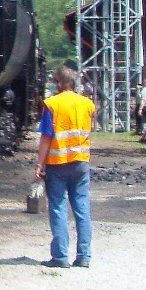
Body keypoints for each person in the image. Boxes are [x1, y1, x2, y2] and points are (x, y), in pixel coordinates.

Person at [35, 65, 94, 268]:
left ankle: (60, 257)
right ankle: (84, 256)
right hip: (80, 163)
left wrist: (39, 164)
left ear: (59, 83)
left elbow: (46, 137)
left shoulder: (52, 104)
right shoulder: (87, 104)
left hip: (57, 164)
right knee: (82, 207)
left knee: (59, 208)